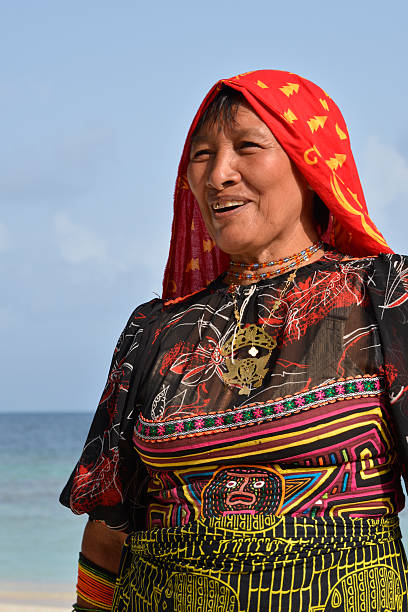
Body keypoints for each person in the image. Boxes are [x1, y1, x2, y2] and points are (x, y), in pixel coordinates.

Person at [61, 69, 408, 612]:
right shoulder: (155, 330)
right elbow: (111, 527)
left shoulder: (383, 298)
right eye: (201, 156)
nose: (219, 174)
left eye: (248, 147)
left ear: (308, 160)